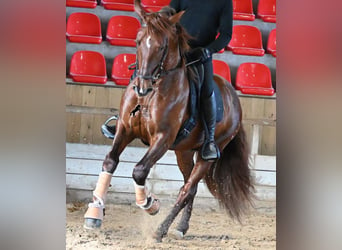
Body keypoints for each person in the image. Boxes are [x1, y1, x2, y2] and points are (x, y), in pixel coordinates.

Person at [169, 0, 233, 161]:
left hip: (200, 53)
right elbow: (170, 13)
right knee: (144, 70)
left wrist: (208, 50)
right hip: (174, 49)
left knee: (207, 89)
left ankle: (209, 140)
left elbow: (226, 34)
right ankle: (124, 122)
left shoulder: (224, 2)